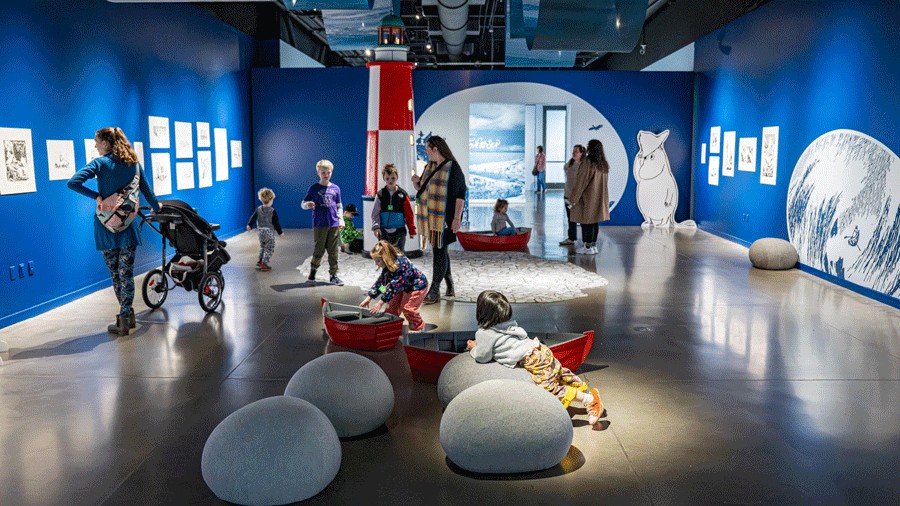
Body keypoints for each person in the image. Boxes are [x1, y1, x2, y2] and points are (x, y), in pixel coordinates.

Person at [67, 127, 161, 336]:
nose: (95, 145)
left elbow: (73, 182)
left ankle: (125, 316)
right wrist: (156, 207)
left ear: (107, 143)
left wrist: (96, 197)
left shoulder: (100, 164)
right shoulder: (134, 164)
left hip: (105, 227)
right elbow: (147, 191)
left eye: (97, 141)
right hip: (128, 226)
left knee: (115, 275)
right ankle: (127, 315)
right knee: (125, 273)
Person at [466, 290, 606, 425]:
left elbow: (482, 356)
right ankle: (586, 390)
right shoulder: (508, 324)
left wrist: (473, 348)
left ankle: (589, 399)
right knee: (559, 373)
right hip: (540, 349)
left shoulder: (484, 333)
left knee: (549, 389)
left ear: (481, 312)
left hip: (532, 360)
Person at [411, 136, 467, 304]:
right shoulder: (430, 166)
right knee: (440, 249)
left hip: (445, 218)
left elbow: (460, 195)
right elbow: (423, 188)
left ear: (435, 148)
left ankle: (435, 289)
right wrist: (416, 183)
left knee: (439, 250)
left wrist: (457, 218)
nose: (426, 151)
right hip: (432, 218)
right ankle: (449, 283)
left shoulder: (453, 168)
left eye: (428, 148)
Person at [360, 240, 429, 332]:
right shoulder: (388, 265)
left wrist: (380, 302)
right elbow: (381, 283)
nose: (376, 264)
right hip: (402, 286)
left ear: (385, 258)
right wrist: (369, 298)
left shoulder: (401, 265)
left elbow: (393, 287)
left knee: (408, 308)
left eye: (378, 261)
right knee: (391, 306)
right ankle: (390, 324)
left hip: (416, 286)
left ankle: (418, 327)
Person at [301, 159, 344, 285]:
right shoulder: (313, 188)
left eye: (328, 172)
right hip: (320, 224)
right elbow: (303, 203)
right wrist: (307, 205)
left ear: (331, 172)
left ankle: (334, 275)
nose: (326, 175)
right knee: (319, 250)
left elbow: (339, 205)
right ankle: (313, 272)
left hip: (334, 224)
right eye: (323, 172)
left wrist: (340, 219)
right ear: (318, 173)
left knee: (333, 251)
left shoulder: (336, 188)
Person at [569, 139, 610, 255]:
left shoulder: (588, 163)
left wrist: (573, 199)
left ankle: (587, 247)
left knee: (586, 221)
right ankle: (593, 245)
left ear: (590, 148)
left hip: (588, 197)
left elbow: (581, 183)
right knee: (594, 221)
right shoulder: (603, 164)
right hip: (599, 197)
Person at [372, 163, 416, 252]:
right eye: (387, 178)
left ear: (397, 178)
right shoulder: (380, 194)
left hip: (399, 231)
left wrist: (411, 230)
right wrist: (376, 227)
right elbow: (375, 213)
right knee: (385, 255)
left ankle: (399, 266)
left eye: (393, 178)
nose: (390, 180)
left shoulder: (403, 194)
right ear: (384, 179)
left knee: (399, 254)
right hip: (383, 231)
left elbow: (409, 213)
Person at [246, 187, 284, 272]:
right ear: (270, 200)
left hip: (260, 232)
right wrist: (280, 232)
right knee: (269, 248)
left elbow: (253, 217)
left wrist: (249, 225)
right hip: (269, 233)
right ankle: (264, 263)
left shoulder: (258, 209)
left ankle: (260, 260)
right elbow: (276, 223)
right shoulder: (272, 211)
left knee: (263, 246)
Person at [559, 144, 585, 246]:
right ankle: (571, 238)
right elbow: (566, 169)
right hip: (567, 194)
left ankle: (586, 241)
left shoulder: (583, 165)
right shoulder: (570, 163)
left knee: (582, 219)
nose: (574, 153)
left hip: (578, 196)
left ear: (582, 153)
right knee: (570, 218)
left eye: (576, 152)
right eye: (573, 151)